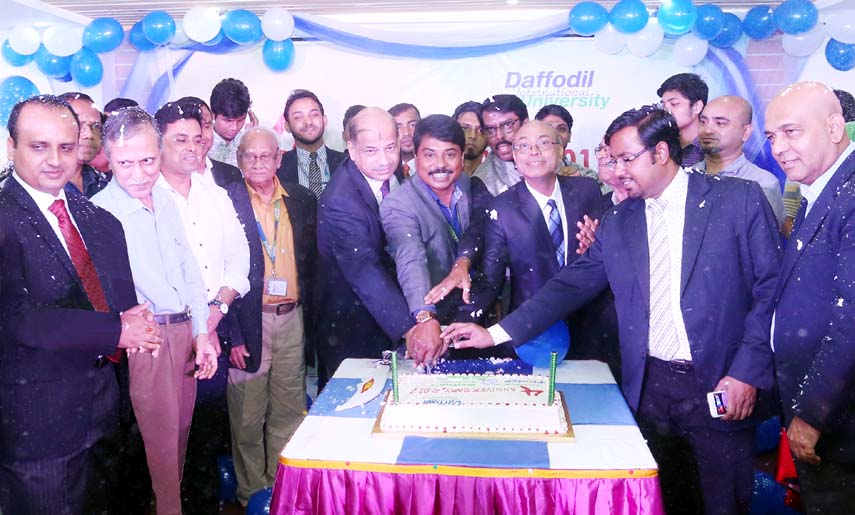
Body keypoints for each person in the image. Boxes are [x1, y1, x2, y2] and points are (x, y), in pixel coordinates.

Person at [444, 104, 782, 515]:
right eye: (612, 159)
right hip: (648, 389)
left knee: (722, 504)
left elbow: (770, 292)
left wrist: (746, 371)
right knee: (664, 499)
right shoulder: (621, 219)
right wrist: (495, 333)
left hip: (718, 383)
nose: (617, 170)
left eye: (626, 159)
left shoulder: (736, 201)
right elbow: (568, 286)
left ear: (660, 152)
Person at [0, 95, 161, 515]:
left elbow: (118, 308)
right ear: (10, 146)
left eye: (66, 147)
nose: (55, 160)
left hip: (105, 418)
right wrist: (116, 330)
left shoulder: (101, 221)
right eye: (39, 146)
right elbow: (15, 318)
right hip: (37, 430)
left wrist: (136, 323)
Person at [91, 107, 217, 515]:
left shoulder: (163, 196)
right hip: (146, 341)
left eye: (147, 160)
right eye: (125, 163)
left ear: (159, 152)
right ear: (108, 158)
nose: (139, 173)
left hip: (184, 332)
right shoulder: (98, 213)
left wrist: (201, 332)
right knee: (159, 453)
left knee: (178, 442)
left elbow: (189, 271)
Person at [152, 101, 251, 515]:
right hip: (164, 339)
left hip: (214, 332)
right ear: (158, 143)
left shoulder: (216, 194)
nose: (193, 148)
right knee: (165, 442)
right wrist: (195, 326)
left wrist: (213, 316)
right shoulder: (145, 196)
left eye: (197, 138)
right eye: (180, 139)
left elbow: (240, 261)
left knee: (207, 438)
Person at [765, 81, 855, 513]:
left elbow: (851, 316)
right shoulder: (816, 192)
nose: (778, 147)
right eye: (771, 136)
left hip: (841, 425)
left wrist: (813, 412)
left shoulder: (851, 195)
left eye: (791, 132)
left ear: (835, 127)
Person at [466, 120, 614, 372]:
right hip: (534, 333)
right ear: (514, 156)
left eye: (544, 143)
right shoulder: (502, 208)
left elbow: (603, 260)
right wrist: (463, 320)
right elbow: (491, 282)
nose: (534, 152)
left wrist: (601, 247)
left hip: (590, 326)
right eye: (523, 146)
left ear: (560, 150)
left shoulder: (587, 190)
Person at [225, 127, 317, 506]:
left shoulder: (300, 198)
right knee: (247, 417)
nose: (259, 163)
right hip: (249, 320)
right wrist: (232, 333)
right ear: (239, 160)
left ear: (280, 159)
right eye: (250, 156)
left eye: (267, 156)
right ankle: (250, 495)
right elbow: (214, 271)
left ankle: (281, 491)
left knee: (288, 410)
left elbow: (312, 260)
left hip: (291, 317)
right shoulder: (225, 202)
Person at [315, 107, 431, 385]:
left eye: (390, 147)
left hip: (388, 316)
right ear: (351, 149)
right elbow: (364, 269)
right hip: (353, 328)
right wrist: (410, 328)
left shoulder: (398, 176)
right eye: (371, 151)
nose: (383, 160)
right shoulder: (341, 200)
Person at [381, 114, 490, 363]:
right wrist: (425, 317)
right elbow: (411, 260)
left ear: (462, 158)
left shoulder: (466, 183)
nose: (440, 164)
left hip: (473, 316)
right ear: (415, 157)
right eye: (429, 155)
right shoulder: (398, 205)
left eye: (450, 154)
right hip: (429, 319)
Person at [696, 95, 785, 226]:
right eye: (703, 122)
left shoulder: (762, 184)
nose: (707, 130)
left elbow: (764, 242)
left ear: (746, 132)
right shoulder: (685, 176)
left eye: (720, 123)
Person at [277, 89, 346, 196]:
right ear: (287, 126)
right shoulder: (278, 168)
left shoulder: (347, 163)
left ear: (324, 120)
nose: (308, 121)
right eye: (298, 117)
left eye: (314, 114)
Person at [176, 96, 244, 187]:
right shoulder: (160, 179)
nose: (201, 135)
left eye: (206, 126)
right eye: (190, 128)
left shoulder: (232, 175)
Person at [535, 104, 605, 192]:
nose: (555, 134)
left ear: (569, 136)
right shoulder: (525, 171)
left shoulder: (587, 177)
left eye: (562, 129)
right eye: (548, 128)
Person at [474, 94, 529, 196]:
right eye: (490, 129)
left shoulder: (548, 158)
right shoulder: (482, 183)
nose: (500, 136)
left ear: (525, 123)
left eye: (508, 125)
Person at [59, 92, 110, 198]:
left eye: (96, 126)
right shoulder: (31, 185)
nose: (89, 134)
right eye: (79, 125)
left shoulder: (103, 182)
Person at [658, 73, 708, 167]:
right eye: (663, 105)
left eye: (674, 104)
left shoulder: (710, 147)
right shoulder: (663, 143)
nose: (666, 110)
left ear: (697, 107)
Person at [209, 78, 258, 166]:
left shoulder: (245, 139)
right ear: (212, 114)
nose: (234, 128)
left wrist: (252, 140)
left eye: (240, 120)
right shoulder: (202, 142)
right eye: (228, 121)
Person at [452, 101, 488, 176]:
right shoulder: (441, 173)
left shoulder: (495, 176)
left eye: (481, 130)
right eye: (465, 128)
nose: (472, 135)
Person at [389, 102, 421, 177]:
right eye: (398, 127)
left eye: (412, 125)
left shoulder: (433, 166)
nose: (406, 133)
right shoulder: (384, 170)